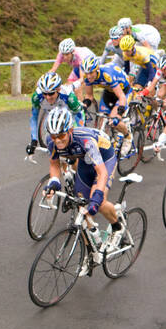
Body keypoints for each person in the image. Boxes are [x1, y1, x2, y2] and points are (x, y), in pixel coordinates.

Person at [43, 108, 123, 274]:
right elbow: (54, 164)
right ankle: (92, 251)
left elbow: (101, 173)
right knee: (81, 206)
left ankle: (118, 225)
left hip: (104, 158)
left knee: (97, 202)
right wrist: (54, 182)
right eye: (53, 136)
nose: (57, 140)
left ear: (70, 130)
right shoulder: (52, 142)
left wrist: (97, 198)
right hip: (86, 162)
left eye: (61, 136)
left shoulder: (85, 141)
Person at [79, 56, 133, 150]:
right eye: (86, 73)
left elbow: (121, 97)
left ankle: (128, 136)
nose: (88, 76)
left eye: (91, 72)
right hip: (109, 92)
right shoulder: (87, 78)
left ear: (97, 70)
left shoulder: (107, 75)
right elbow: (89, 96)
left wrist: (119, 114)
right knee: (102, 117)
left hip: (124, 92)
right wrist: (84, 106)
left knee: (113, 119)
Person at [26, 72, 83, 156]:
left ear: (58, 89)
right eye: (44, 93)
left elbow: (79, 117)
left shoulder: (69, 97)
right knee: (53, 145)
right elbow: (34, 117)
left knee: (72, 144)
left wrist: (80, 138)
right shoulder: (37, 97)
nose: (47, 97)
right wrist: (34, 140)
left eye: (51, 93)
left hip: (71, 115)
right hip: (52, 115)